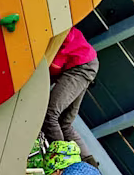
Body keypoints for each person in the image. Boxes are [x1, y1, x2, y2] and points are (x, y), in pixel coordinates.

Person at [42, 28, 99, 165]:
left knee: (50, 114)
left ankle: (64, 164)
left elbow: (53, 67)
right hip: (85, 62)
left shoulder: (57, 31)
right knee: (64, 123)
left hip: (80, 65)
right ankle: (92, 169)